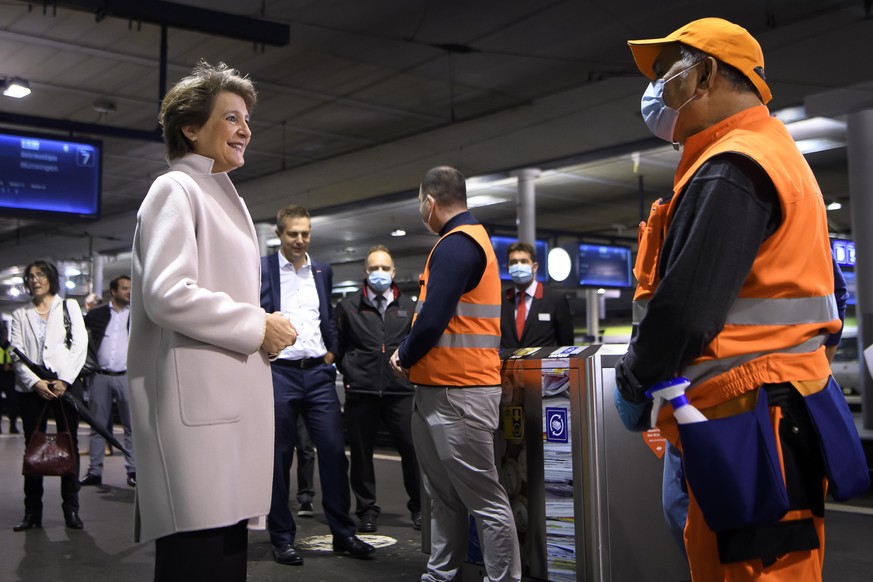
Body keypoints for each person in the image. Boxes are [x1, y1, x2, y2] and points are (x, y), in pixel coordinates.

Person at [615, 18, 845, 581]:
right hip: (765, 411)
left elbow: (685, 309)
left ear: (707, 74)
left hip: (750, 422)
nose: (658, 90)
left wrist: (631, 380)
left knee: (752, 570)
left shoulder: (733, 167)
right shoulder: (773, 155)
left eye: (667, 73)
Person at [128, 61, 298, 582]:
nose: (245, 128)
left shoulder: (225, 196)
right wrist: (256, 325)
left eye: (247, 118)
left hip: (225, 407)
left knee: (224, 555)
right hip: (195, 412)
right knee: (197, 556)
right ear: (190, 127)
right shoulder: (174, 190)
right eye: (231, 117)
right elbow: (167, 295)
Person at [390, 166, 521, 582]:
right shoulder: (457, 243)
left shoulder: (458, 245)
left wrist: (404, 355)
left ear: (430, 203)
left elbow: (432, 321)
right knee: (443, 496)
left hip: (460, 394)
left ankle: (503, 579)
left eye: (419, 204)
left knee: (484, 498)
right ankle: (440, 574)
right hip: (439, 391)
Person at [261, 204, 376, 567]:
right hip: (279, 373)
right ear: (279, 234)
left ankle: (342, 533)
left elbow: (327, 316)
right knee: (279, 458)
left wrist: (332, 352)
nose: (299, 240)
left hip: (318, 375)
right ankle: (281, 538)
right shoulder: (262, 269)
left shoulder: (322, 271)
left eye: (305, 233)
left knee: (332, 453)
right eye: (293, 233)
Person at [335, 245, 422, 533]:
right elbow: (341, 346)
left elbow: (416, 344)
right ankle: (367, 509)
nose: (380, 274)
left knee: (412, 450)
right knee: (361, 454)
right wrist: (351, 371)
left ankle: (420, 507)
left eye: (385, 268)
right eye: (374, 268)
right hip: (362, 391)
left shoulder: (408, 307)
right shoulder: (348, 306)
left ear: (394, 272)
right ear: (365, 272)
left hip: (400, 391)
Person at [9, 260, 87, 531]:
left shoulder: (69, 306)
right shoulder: (20, 314)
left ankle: (71, 510)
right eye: (30, 276)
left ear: (51, 278)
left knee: (70, 444)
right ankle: (32, 512)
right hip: (33, 390)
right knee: (33, 447)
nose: (35, 280)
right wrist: (35, 383)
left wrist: (64, 380)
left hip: (65, 385)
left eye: (40, 274)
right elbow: (15, 353)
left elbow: (80, 345)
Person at [80, 275, 136, 488]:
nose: (129, 292)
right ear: (113, 291)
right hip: (100, 377)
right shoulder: (97, 315)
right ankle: (95, 471)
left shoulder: (137, 315)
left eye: (130, 288)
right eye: (124, 288)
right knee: (98, 426)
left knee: (131, 427)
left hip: (126, 376)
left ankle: (133, 470)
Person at [499, 241, 574, 349]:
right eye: (513, 262)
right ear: (507, 268)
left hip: (543, 365)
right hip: (506, 365)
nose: (518, 266)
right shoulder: (500, 300)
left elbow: (566, 344)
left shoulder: (555, 299)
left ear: (534, 267)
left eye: (524, 261)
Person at [0, 320, 21, 434]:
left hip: (10, 378)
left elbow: (18, 361)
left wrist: (11, 367)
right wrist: (3, 367)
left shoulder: (12, 348)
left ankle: (13, 426)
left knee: (13, 402)